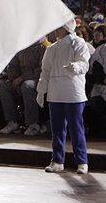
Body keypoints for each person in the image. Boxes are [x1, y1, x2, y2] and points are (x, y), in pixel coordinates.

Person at [36, 20, 90, 174]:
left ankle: (82, 161)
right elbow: (45, 71)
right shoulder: (52, 48)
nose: (55, 30)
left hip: (73, 92)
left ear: (66, 29)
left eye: (59, 28)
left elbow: (85, 64)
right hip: (55, 93)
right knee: (57, 129)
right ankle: (57, 160)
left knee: (76, 128)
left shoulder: (78, 43)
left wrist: (76, 67)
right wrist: (41, 90)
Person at [0, 40, 47, 136]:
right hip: (20, 79)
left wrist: (22, 78)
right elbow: (13, 65)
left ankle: (33, 124)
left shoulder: (43, 47)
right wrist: (13, 78)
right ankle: (12, 121)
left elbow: (41, 69)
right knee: (5, 87)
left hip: (37, 79)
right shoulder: (22, 46)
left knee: (27, 86)